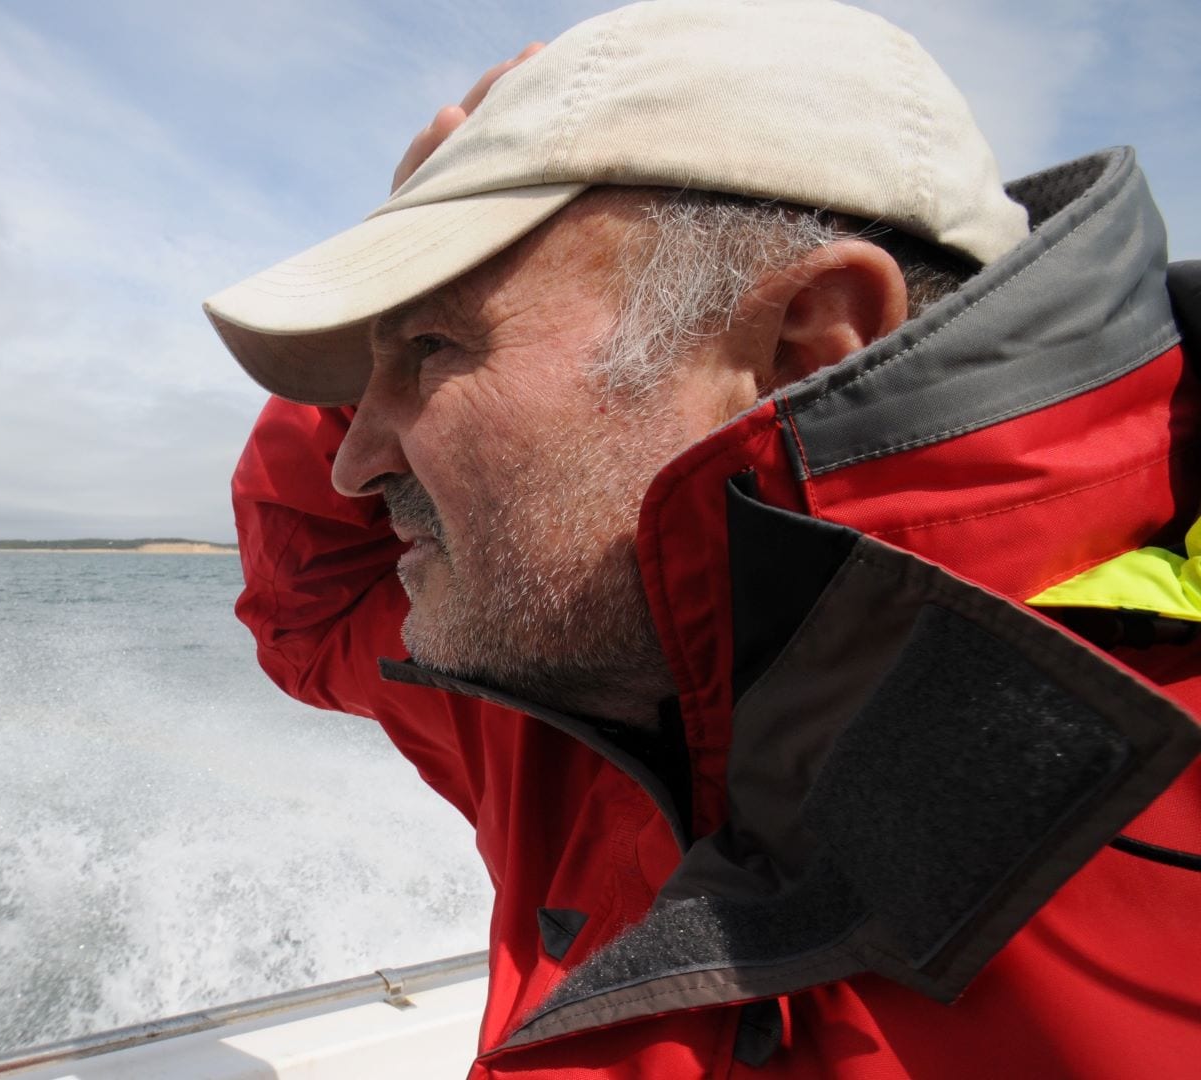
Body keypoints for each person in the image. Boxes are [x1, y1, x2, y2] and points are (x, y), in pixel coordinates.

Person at [202, 1, 1201, 1076]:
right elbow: (309, 612)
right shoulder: (575, 665)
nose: (350, 462)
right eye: (360, 386)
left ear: (802, 347)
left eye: (433, 347)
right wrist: (393, 297)